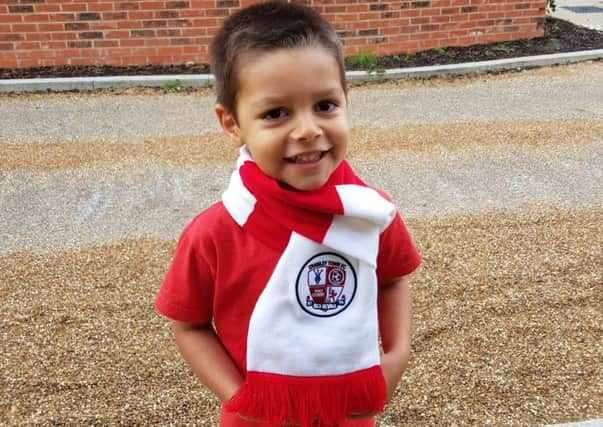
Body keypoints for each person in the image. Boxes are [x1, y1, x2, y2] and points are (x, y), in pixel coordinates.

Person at [155, 2, 421, 426]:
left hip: (350, 413)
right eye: (276, 113)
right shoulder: (214, 233)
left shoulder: (370, 213)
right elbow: (189, 326)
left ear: (346, 100)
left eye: (325, 105)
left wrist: (397, 355)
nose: (307, 130)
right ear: (232, 124)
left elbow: (392, 280)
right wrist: (243, 397)